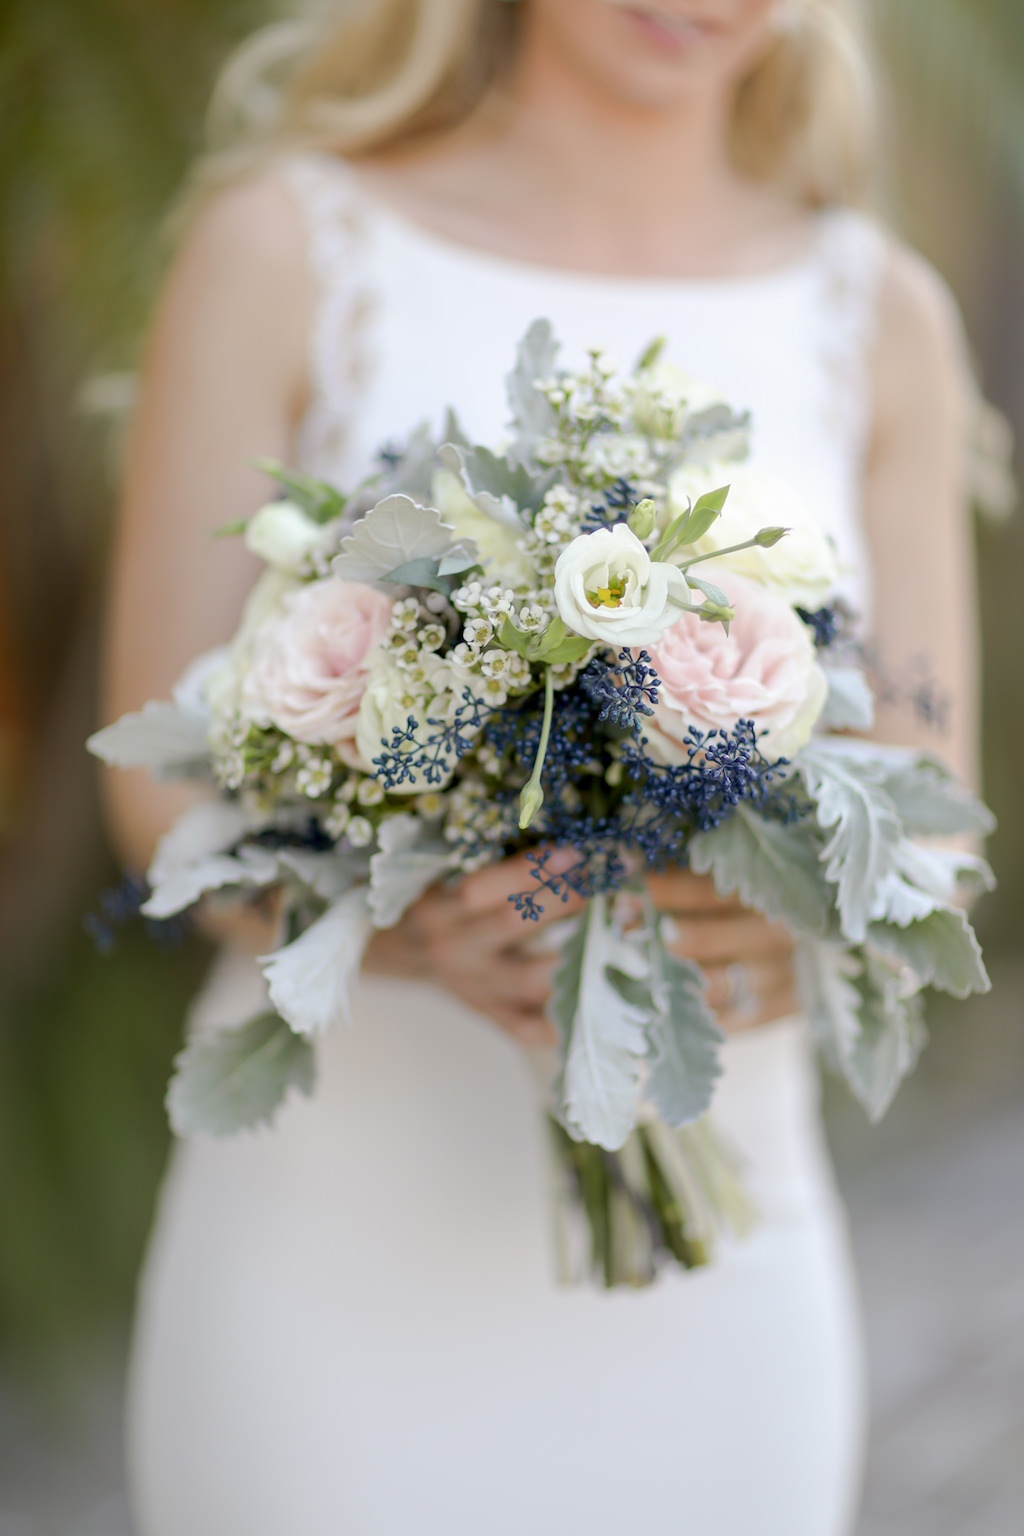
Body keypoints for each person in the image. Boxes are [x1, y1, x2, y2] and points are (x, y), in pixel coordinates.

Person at [101, 0, 979, 1530]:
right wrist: (401, 920)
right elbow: (151, 779)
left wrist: (773, 917)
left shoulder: (881, 312)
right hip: (335, 1260)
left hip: (723, 1283)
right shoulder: (283, 246)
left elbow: (938, 820)